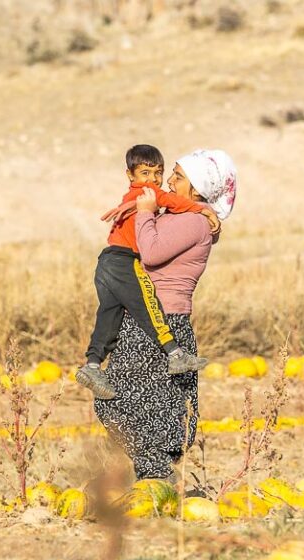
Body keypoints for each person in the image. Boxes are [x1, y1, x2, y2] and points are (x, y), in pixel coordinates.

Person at [95, 149, 237, 480]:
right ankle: (150, 476)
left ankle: (155, 476)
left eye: (178, 176)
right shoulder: (185, 214)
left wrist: (145, 213)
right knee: (143, 401)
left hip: (161, 321)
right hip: (150, 316)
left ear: (198, 188)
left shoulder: (192, 221)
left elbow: (152, 252)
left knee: (129, 400)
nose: (168, 181)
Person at [75, 144, 220, 399]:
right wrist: (204, 210)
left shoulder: (138, 194)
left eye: (159, 173)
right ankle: (174, 354)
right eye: (146, 173)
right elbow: (172, 207)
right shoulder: (149, 194)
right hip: (124, 260)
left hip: (107, 261)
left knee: (108, 316)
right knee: (147, 304)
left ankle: (93, 364)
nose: (156, 180)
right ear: (130, 175)